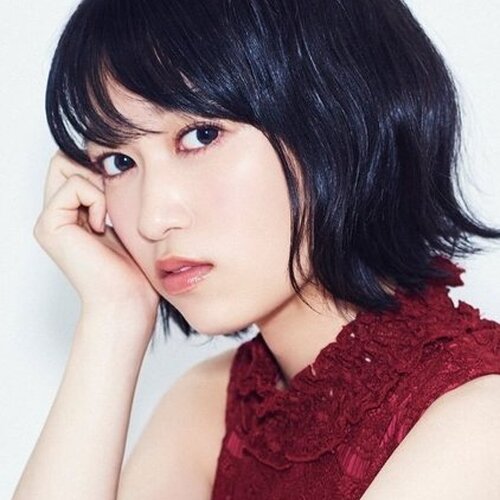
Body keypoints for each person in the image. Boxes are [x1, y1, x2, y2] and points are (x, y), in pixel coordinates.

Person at [14, 0, 500, 498]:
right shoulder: (209, 409)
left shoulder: (479, 418)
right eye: (119, 162)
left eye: (201, 135)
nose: (152, 219)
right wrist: (113, 316)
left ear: (339, 116)